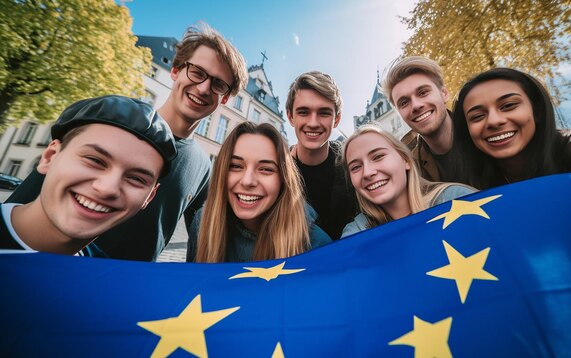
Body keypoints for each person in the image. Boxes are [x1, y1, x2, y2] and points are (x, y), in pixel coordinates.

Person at [8, 23, 248, 261]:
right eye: (197, 72)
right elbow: (21, 207)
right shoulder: (109, 125)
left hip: (127, 287)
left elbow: (205, 238)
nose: (204, 88)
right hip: (51, 268)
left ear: (224, 97)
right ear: (175, 70)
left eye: (218, 84)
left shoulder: (202, 165)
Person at [0, 95, 176, 254]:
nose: (107, 188)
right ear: (50, 157)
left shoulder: (107, 285)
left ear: (149, 197)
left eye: (136, 178)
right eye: (95, 160)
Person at [450, 67, 571, 190]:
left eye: (508, 105)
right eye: (477, 116)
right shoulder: (469, 189)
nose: (494, 121)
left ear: (537, 111)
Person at [193, 122, 331, 263]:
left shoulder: (317, 245)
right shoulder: (203, 222)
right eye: (235, 166)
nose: (247, 181)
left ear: (283, 179)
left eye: (265, 169)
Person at [341, 125, 475, 238]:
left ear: (405, 160)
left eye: (378, 156)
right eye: (356, 167)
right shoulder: (356, 232)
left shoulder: (456, 198)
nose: (368, 173)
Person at [285, 71, 358, 240]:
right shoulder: (276, 171)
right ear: (290, 117)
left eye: (324, 113)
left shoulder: (354, 164)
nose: (313, 123)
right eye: (303, 112)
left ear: (337, 119)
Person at [380, 56, 455, 181]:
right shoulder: (409, 170)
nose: (416, 105)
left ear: (444, 94)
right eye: (404, 103)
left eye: (423, 92)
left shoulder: (484, 133)